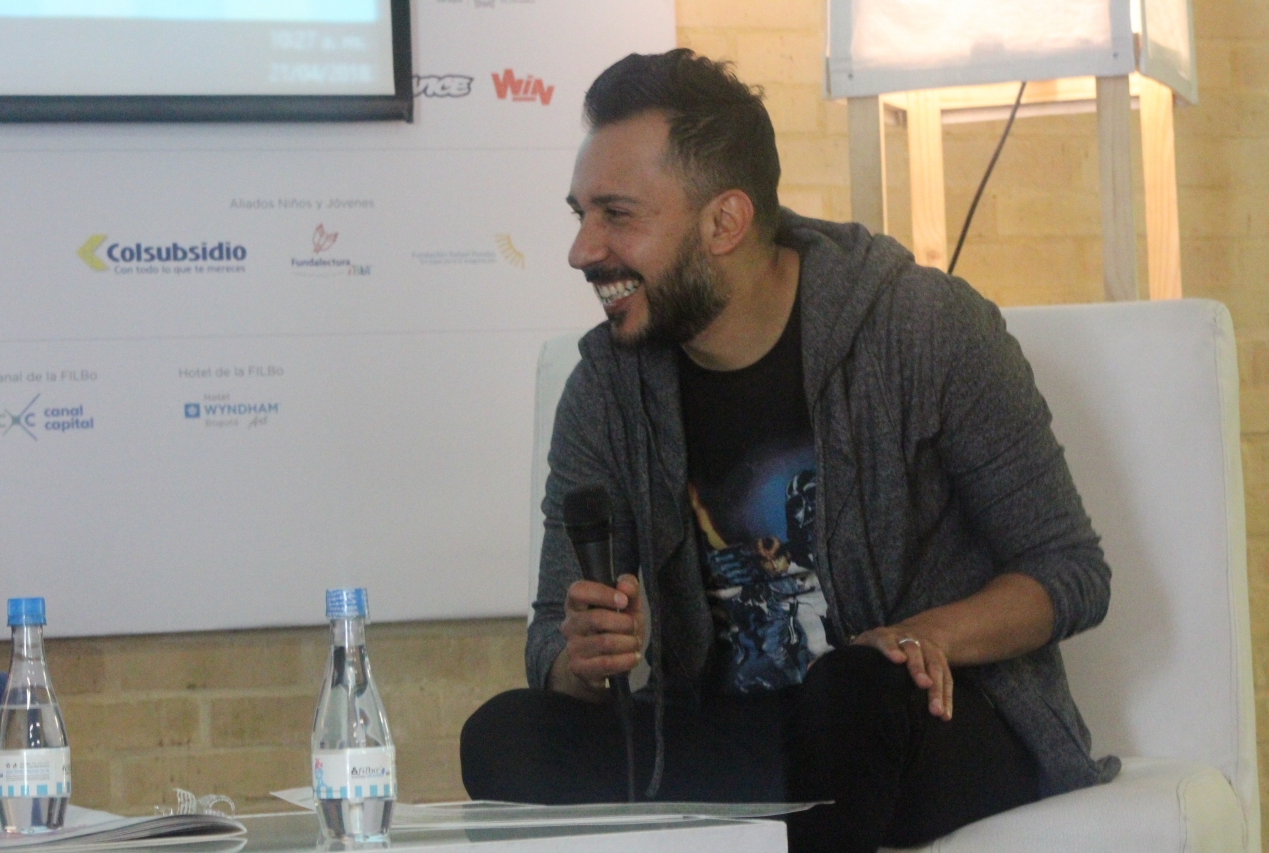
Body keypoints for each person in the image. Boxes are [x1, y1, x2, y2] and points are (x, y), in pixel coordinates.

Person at [460, 49, 1118, 853]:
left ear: (724, 222)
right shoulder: (603, 387)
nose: (582, 249)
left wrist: (928, 635)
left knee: (849, 698)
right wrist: (580, 657)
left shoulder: (923, 328)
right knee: (503, 737)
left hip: (923, 725)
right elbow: (549, 635)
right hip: (737, 735)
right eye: (581, 214)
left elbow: (1071, 570)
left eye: (617, 215)